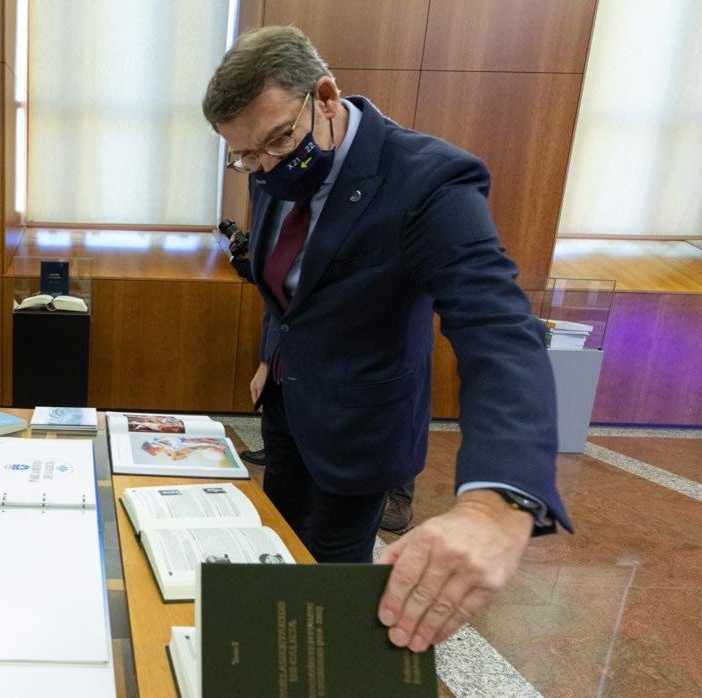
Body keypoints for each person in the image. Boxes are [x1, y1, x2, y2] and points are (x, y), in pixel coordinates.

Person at [202, 27, 570, 653]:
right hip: (290, 400)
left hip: (364, 424)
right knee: (280, 539)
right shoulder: (272, 164)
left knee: (334, 578)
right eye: (244, 157)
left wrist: (497, 500)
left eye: (274, 143)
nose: (262, 168)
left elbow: (500, 331)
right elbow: (285, 280)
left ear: (324, 95)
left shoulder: (427, 182)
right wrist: (273, 352)